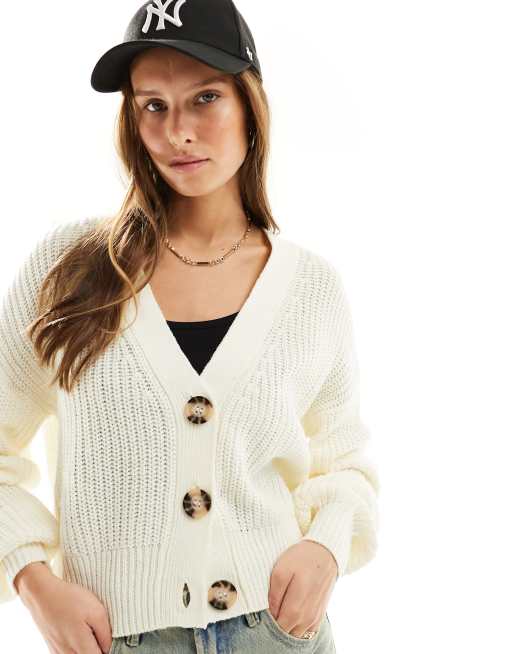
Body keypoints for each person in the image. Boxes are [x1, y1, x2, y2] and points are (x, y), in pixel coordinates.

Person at [0, 1, 380, 652]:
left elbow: (344, 462)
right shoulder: (68, 269)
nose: (177, 132)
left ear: (249, 107)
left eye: (205, 98)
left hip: (275, 633)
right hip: (114, 638)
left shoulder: (311, 289)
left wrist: (324, 546)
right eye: (153, 105)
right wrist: (32, 580)